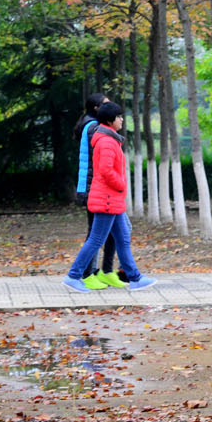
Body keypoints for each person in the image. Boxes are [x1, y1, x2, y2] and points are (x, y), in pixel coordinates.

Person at [65, 101, 154, 292]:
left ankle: (135, 278)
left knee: (122, 238)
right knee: (96, 239)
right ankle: (73, 276)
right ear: (109, 120)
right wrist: (121, 184)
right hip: (106, 198)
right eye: (119, 117)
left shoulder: (110, 138)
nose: (122, 120)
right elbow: (105, 170)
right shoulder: (106, 141)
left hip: (112, 198)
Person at [74, 94, 120, 289]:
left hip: (97, 187)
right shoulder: (93, 127)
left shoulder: (91, 124)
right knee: (96, 233)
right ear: (96, 108)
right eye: (106, 105)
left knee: (112, 232)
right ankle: (86, 273)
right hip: (95, 188)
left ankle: (105, 271)